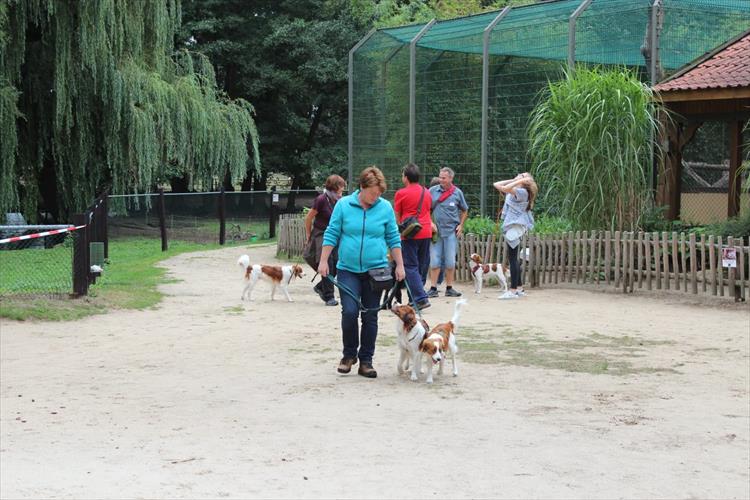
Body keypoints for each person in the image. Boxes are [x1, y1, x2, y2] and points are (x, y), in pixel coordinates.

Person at [319, 166, 405, 379]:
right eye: (373, 193)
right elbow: (332, 232)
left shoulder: (384, 207)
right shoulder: (344, 205)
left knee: (370, 315)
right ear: (362, 187)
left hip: (376, 270)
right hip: (348, 269)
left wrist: (400, 265)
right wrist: (323, 260)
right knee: (349, 312)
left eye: (379, 193)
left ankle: (366, 360)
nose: (376, 197)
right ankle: (349, 355)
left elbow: (393, 237)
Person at [304, 174, 347, 306]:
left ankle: (321, 286)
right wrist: (308, 235)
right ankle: (329, 297)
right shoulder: (321, 199)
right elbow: (309, 218)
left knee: (337, 263)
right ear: (333, 188)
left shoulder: (338, 201)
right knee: (327, 263)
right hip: (321, 233)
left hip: (334, 234)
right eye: (340, 188)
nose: (342, 191)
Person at [493, 172, 537, 299]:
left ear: (526, 182)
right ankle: (519, 288)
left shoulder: (523, 192)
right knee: (514, 257)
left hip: (515, 226)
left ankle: (512, 291)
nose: (518, 174)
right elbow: (497, 185)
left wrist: (519, 181)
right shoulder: (516, 190)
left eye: (521, 175)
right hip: (513, 226)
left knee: (512, 259)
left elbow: (505, 188)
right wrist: (515, 179)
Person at [394, 163, 432, 310]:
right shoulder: (426, 192)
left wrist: (400, 229)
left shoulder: (401, 193)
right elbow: (428, 210)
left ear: (406, 177)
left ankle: (420, 298)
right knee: (421, 266)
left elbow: (398, 215)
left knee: (410, 266)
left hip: (410, 232)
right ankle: (413, 298)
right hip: (426, 230)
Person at [426, 166, 468, 298]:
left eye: (444, 178)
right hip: (436, 233)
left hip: (451, 232)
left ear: (451, 178)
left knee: (450, 261)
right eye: (440, 177)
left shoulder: (457, 193)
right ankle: (433, 288)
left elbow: (464, 210)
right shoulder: (432, 191)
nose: (441, 180)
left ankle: (449, 288)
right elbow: (425, 209)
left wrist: (461, 225)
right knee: (435, 261)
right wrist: (430, 222)